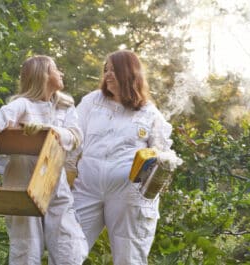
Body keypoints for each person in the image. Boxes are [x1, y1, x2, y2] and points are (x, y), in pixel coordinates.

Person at [0, 55, 88, 265]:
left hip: (55, 185)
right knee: (25, 253)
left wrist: (49, 131)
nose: (61, 73)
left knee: (68, 251)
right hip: (21, 185)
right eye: (55, 69)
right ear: (42, 75)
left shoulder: (65, 107)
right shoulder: (21, 105)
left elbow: (76, 137)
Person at [67, 50, 182, 264]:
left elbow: (162, 154)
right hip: (86, 188)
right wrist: (66, 174)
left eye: (113, 70)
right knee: (67, 251)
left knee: (129, 258)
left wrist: (162, 159)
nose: (108, 75)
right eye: (106, 70)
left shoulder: (149, 112)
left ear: (129, 73)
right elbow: (72, 139)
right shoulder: (92, 101)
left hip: (128, 194)